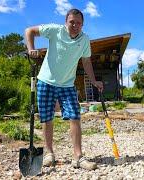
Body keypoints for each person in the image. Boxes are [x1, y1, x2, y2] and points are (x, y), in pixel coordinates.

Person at [25, 8, 103, 170]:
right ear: (66, 22)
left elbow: (87, 62)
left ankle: (78, 157)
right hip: (46, 81)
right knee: (47, 118)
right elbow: (30, 31)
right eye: (72, 22)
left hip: (67, 84)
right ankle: (49, 154)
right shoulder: (55, 30)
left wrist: (94, 81)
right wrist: (31, 48)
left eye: (78, 23)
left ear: (83, 25)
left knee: (75, 116)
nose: (75, 25)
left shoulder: (84, 40)